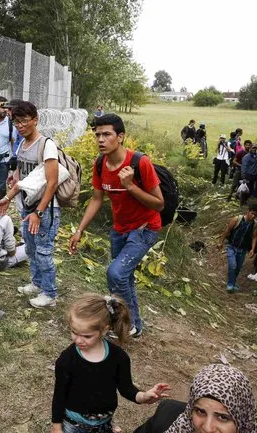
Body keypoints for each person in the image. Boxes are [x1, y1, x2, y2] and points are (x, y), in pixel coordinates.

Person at [69, 114, 164, 337]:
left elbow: (159, 204)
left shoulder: (140, 162)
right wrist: (79, 230)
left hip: (145, 228)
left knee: (116, 273)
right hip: (119, 229)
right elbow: (96, 199)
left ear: (120, 137)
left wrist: (129, 185)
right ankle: (134, 326)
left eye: (106, 134)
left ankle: (126, 324)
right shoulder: (100, 164)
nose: (101, 139)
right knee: (125, 277)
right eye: (97, 135)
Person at [51, 293, 170, 433]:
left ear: (104, 330)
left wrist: (144, 396)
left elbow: (126, 388)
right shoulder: (67, 360)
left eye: (87, 336)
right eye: (74, 332)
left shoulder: (119, 358)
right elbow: (59, 395)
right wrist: (57, 427)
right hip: (73, 425)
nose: (78, 340)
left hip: (104, 424)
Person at [0, 101, 60, 308]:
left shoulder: (46, 145)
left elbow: (52, 182)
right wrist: (7, 196)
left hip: (45, 210)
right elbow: (22, 179)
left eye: (24, 121)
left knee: (43, 251)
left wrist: (39, 213)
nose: (21, 126)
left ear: (35, 120)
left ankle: (50, 294)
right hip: (27, 207)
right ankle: (37, 283)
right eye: (16, 122)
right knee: (31, 250)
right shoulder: (21, 145)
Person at [134, 363, 257, 433]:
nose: (208, 428)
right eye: (200, 411)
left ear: (242, 420)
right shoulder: (166, 416)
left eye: (223, 417)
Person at [218, 204, 257, 293]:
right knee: (232, 266)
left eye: (255, 215)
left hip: (243, 250)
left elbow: (254, 237)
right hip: (232, 247)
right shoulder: (237, 219)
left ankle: (233, 283)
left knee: (237, 268)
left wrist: (253, 249)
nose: (253, 216)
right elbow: (227, 231)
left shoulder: (255, 224)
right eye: (252, 213)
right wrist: (220, 242)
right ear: (248, 211)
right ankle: (230, 285)